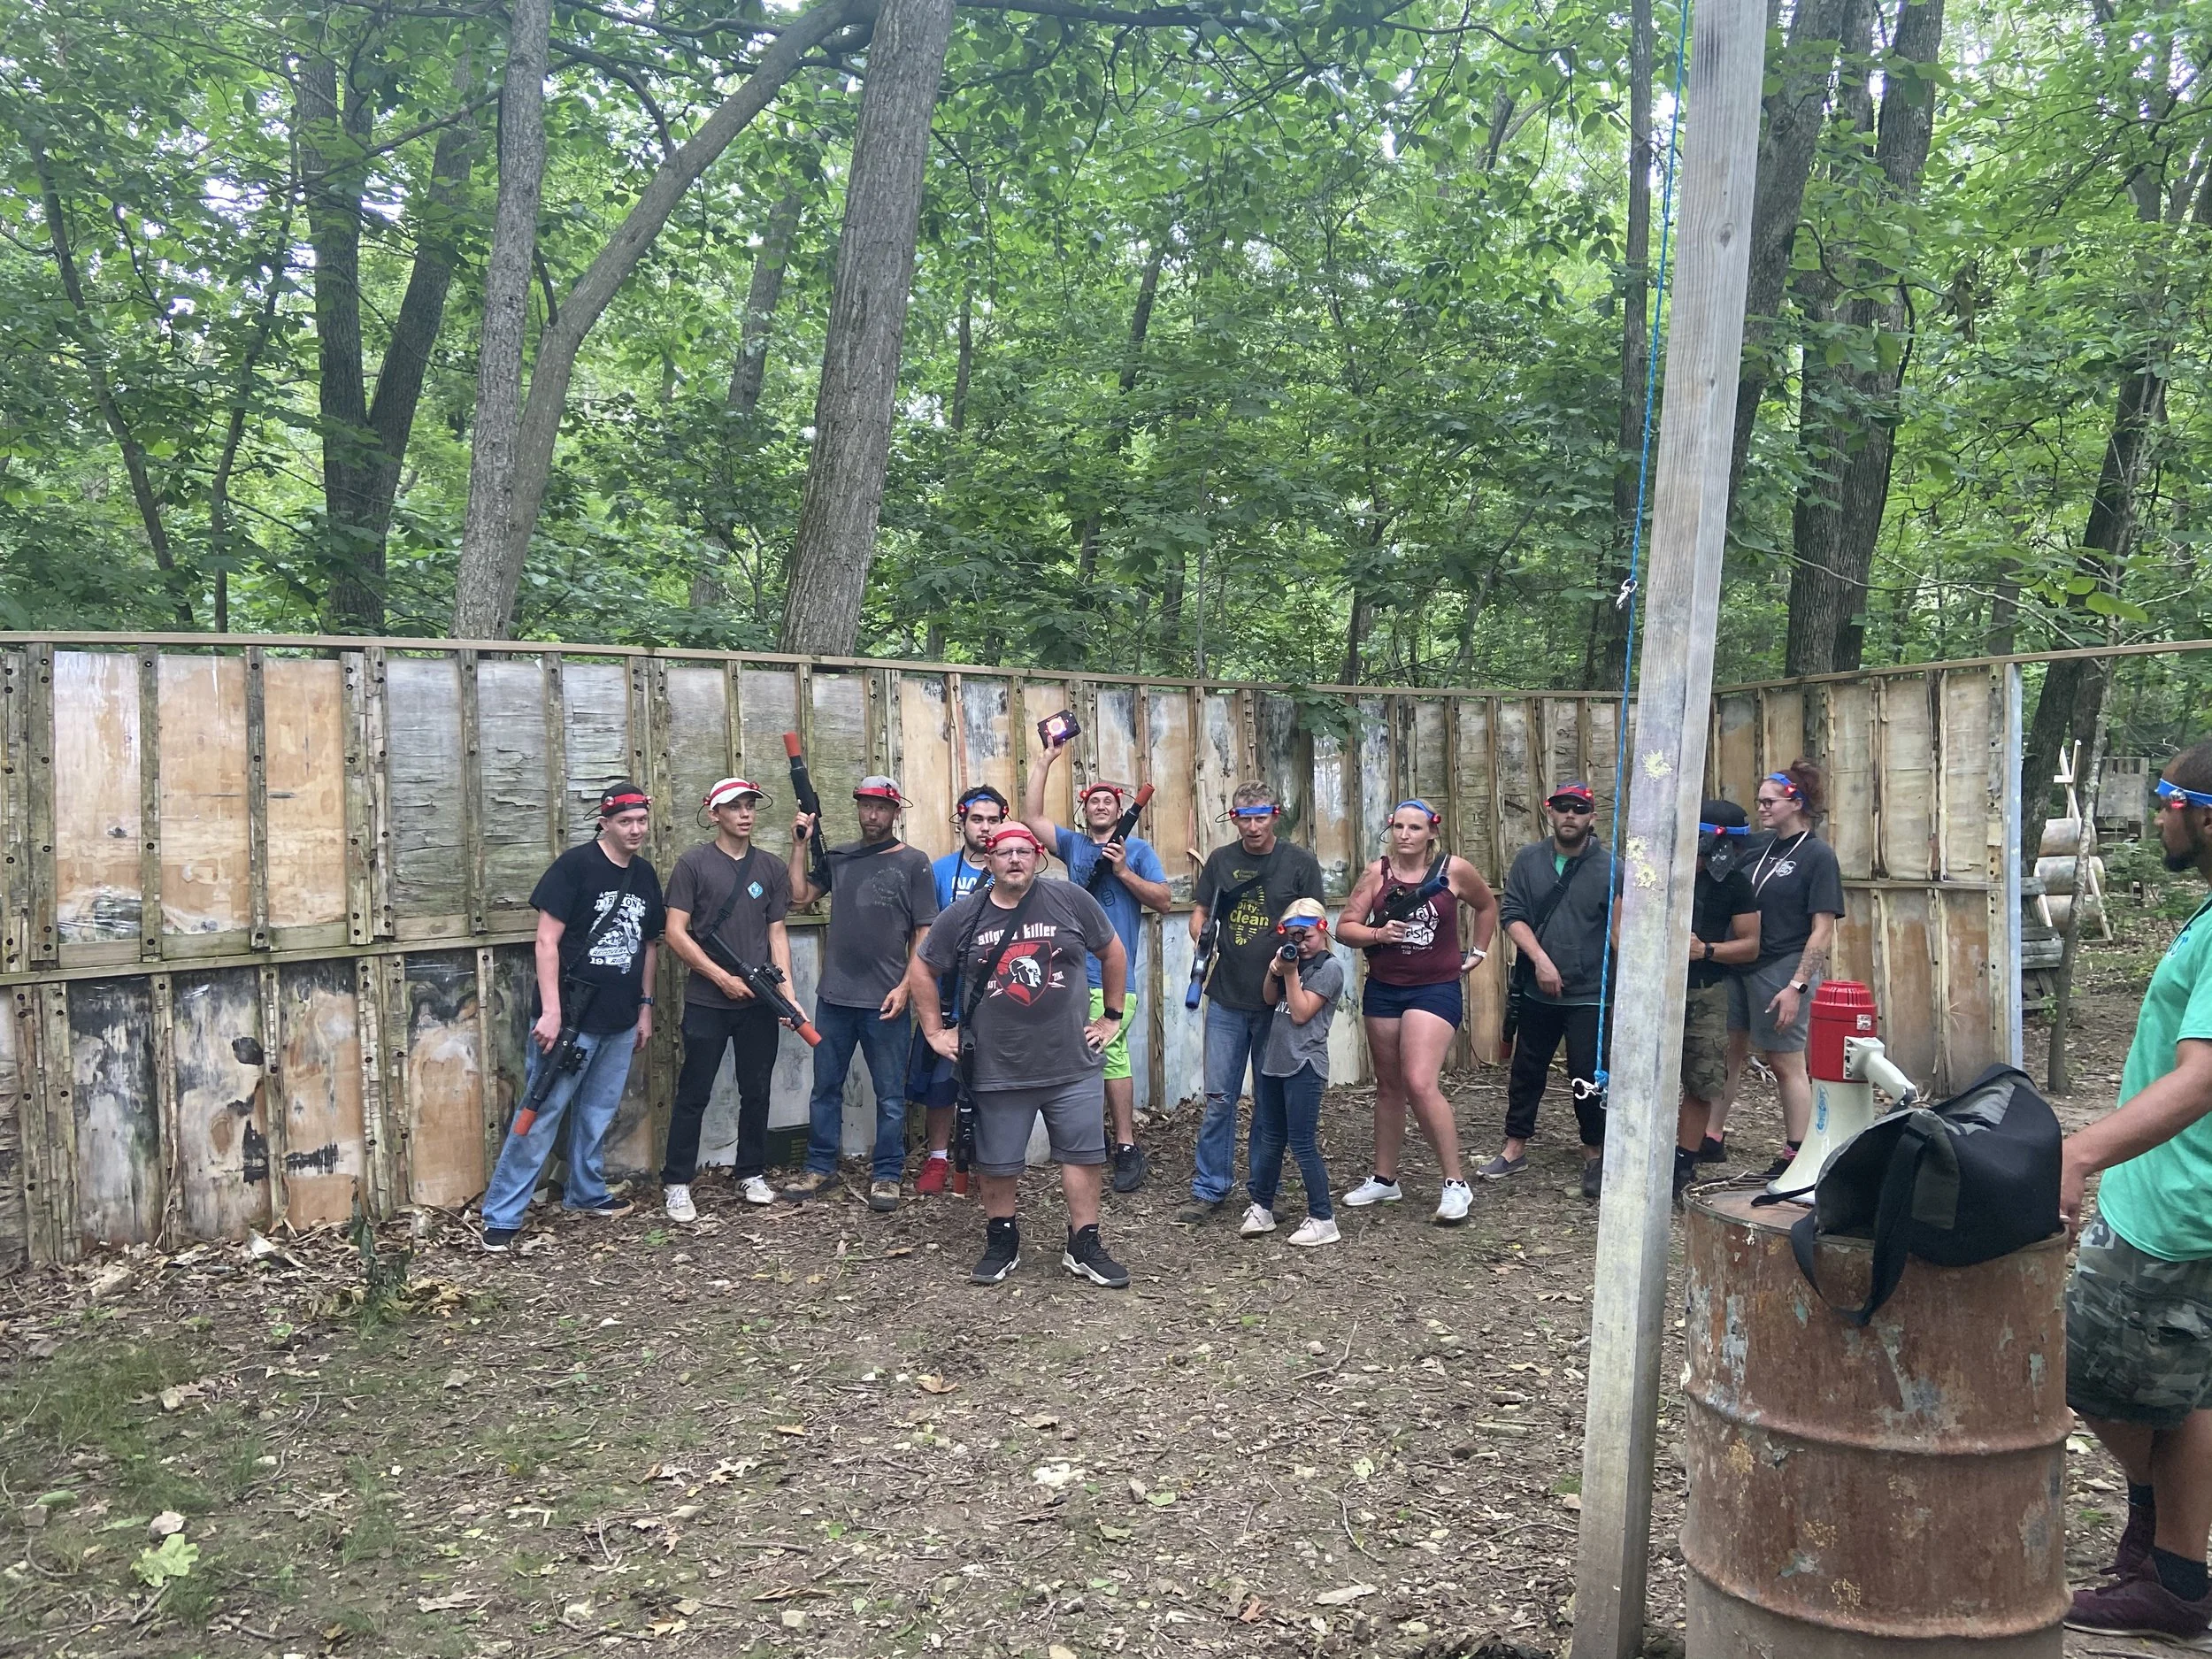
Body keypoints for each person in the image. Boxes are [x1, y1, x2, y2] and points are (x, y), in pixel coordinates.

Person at [2060, 746, 2212, 1640]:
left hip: (2173, 1207)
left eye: (2169, 801)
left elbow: (2199, 1080)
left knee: (2089, 1372)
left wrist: (2081, 1153)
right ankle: (2175, 1574)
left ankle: (2164, 1539)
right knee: (2188, 1394)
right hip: (2179, 1197)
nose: (2158, 817)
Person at [910, 823, 1132, 1287]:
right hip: (996, 1063)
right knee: (998, 1159)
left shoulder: (1070, 900)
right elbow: (923, 968)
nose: (1015, 859)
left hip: (1070, 1060)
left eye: (1024, 851)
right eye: (1004, 852)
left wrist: (1111, 1016)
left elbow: (1112, 951)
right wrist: (934, 1030)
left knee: (1084, 1154)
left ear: (1038, 857)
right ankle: (1002, 1239)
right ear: (988, 861)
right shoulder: (964, 915)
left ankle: (1083, 1242)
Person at [480, 782, 665, 1251]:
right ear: (604, 822)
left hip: (620, 1019)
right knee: (540, 1112)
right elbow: (546, 941)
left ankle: (586, 1192)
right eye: (626, 821)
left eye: (642, 820)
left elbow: (648, 947)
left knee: (598, 1113)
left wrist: (644, 1008)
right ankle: (502, 1214)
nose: (636, 829)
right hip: (571, 1020)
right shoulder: (575, 866)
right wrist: (552, 1011)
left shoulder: (644, 875)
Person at [1333, 799, 1501, 1224]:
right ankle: (1385, 1179)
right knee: (1389, 1086)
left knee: (1420, 1081)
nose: (1405, 835)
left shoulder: (1453, 870)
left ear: (1431, 833)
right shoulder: (1377, 873)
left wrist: (1478, 951)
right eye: (1399, 827)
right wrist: (1378, 932)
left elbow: (1487, 905)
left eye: (1415, 828)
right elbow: (1345, 928)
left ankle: (1455, 1184)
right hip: (1385, 988)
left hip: (1435, 988)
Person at [1024, 737, 1173, 1194]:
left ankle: (1125, 1145)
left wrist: (1125, 871)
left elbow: (1165, 902)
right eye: (1094, 801)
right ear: (1086, 812)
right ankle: (1093, 1141)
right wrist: (1046, 760)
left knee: (1110, 1055)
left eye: (1109, 801)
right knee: (1089, 1055)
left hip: (1114, 977)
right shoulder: (1073, 846)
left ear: (1119, 808)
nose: (1102, 806)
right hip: (1070, 974)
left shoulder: (1139, 850)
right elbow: (1032, 818)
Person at [785, 774, 938, 1212]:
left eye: (881, 807)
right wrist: (799, 843)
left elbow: (925, 930)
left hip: (885, 1000)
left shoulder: (914, 862)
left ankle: (888, 1175)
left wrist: (907, 986)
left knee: (890, 1094)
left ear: (896, 811)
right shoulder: (839, 857)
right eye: (865, 806)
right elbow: (798, 897)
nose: (872, 815)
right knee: (825, 1088)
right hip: (834, 996)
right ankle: (820, 1168)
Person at [1180, 782, 1326, 1225]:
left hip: (1278, 1001)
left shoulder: (1299, 863)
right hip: (1226, 995)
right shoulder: (1222, 861)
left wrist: (1298, 972)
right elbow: (1200, 912)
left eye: (1260, 817)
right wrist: (1202, 940)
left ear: (1274, 817)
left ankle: (1268, 1190)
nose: (1253, 826)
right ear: (1234, 818)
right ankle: (1210, 1187)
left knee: (1270, 1100)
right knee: (1220, 1097)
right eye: (1244, 817)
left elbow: (1314, 921)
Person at [660, 777, 797, 1219]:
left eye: (750, 806)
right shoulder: (693, 864)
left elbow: (777, 933)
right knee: (694, 1091)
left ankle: (750, 1171)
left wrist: (787, 994)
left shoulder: (771, 868)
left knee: (756, 1090)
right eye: (734, 806)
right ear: (714, 812)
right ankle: (678, 1181)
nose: (745, 814)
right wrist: (720, 977)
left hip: (758, 1001)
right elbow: (675, 933)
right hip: (708, 1001)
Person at [1706, 760, 1844, 1180]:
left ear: (1796, 803)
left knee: (1785, 1062)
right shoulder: (1760, 846)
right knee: (1726, 1053)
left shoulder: (1818, 856)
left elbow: (1822, 930)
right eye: (1760, 801)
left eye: (1770, 801)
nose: (1762, 808)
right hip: (1740, 963)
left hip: (1783, 966)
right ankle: (1710, 1136)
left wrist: (1797, 985)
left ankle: (1798, 1151)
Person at [1488, 782, 1618, 1199]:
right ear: (1549, 813)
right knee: (1527, 1069)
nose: (1570, 816)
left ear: (1592, 817)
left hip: (1589, 992)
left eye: (1579, 809)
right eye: (1562, 808)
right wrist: (1541, 961)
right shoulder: (1529, 859)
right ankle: (1514, 1146)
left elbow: (1622, 930)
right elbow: (1512, 914)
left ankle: (1594, 1152)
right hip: (1537, 988)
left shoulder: (1613, 867)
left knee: (1588, 1074)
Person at [910, 786, 1009, 1194]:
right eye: (977, 820)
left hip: (996, 999)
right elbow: (926, 934)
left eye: (993, 820)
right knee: (940, 1083)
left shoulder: (1012, 864)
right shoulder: (941, 870)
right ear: (962, 821)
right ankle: (937, 1159)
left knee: (992, 1083)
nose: (985, 828)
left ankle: (989, 1160)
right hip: (949, 996)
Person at [1240, 899, 1347, 1247]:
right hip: (1275, 1061)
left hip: (1305, 1065)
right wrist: (1276, 970)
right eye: (1293, 937)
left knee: (1302, 1143)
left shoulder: (1329, 969)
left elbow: (1301, 1013)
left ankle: (1323, 1217)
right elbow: (1270, 999)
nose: (1300, 945)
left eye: (1306, 937)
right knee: (1271, 1138)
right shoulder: (1292, 962)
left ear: (1322, 929)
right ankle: (1263, 1207)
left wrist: (1290, 974)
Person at [1672, 800, 1760, 1207]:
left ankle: (1683, 1164)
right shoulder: (1659, 873)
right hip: (1653, 991)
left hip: (1706, 991)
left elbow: (1750, 945)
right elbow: (1620, 924)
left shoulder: (1735, 885)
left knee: (1703, 1079)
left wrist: (1705, 950)